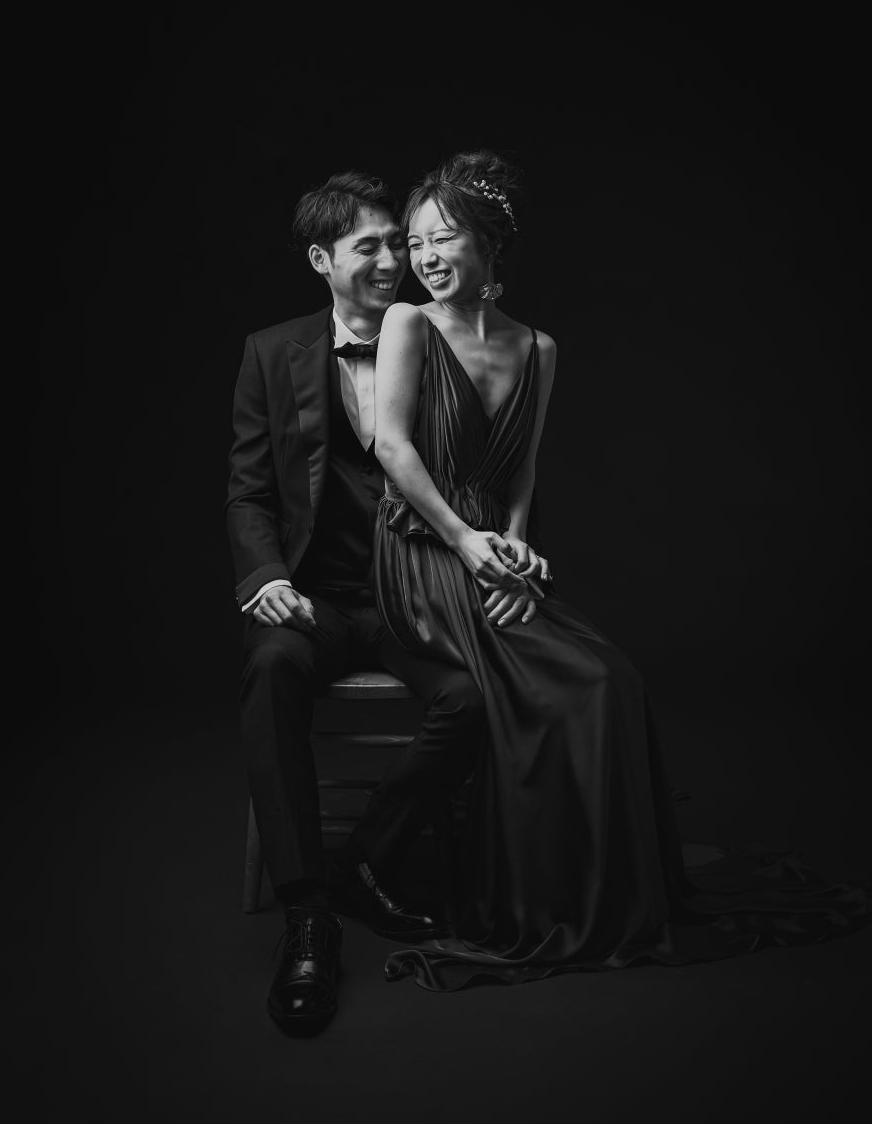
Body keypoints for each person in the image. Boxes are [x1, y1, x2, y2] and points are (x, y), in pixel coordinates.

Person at [371, 148, 869, 991]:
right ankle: (531, 899)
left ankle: (598, 894)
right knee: (555, 683)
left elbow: (522, 471)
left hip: (492, 549)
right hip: (422, 547)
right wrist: (467, 543)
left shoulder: (539, 348)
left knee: (612, 680)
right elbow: (392, 448)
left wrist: (518, 547)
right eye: (415, 242)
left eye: (442, 238)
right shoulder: (407, 326)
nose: (424, 256)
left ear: (489, 244)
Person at [225, 170, 533, 1033]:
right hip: (316, 600)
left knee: (469, 698)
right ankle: (307, 913)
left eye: (401, 242)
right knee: (271, 669)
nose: (395, 261)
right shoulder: (271, 352)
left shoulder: (440, 335)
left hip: (414, 597)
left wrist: (505, 552)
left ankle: (363, 861)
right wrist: (266, 578)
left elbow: (495, 467)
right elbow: (249, 490)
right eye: (371, 247)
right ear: (321, 260)